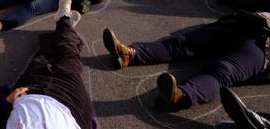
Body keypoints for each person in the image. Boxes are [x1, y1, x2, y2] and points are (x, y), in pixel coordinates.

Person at [102, 10, 270, 112]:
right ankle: (130, 54)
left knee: (223, 70)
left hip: (263, 46)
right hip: (244, 24)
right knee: (182, 44)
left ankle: (182, 96)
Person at [0, 0, 97, 129]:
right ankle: (64, 21)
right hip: (70, 103)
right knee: (69, 53)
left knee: (43, 58)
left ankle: (65, 27)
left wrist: (6, 103)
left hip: (30, 91)